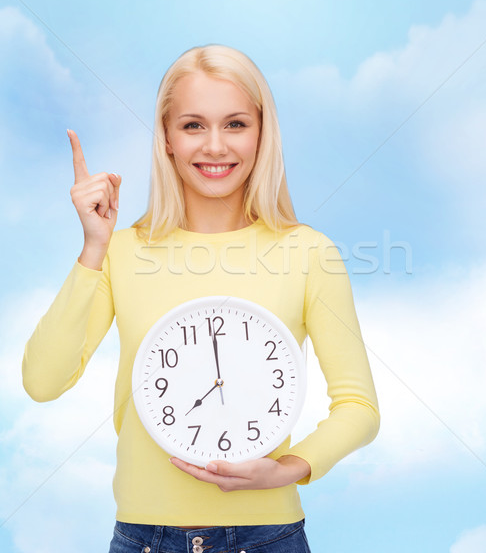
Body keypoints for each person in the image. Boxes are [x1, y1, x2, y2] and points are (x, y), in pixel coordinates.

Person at [22, 44, 380, 553]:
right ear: (167, 138)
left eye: (235, 124)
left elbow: (359, 406)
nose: (215, 146)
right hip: (145, 537)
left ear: (262, 133)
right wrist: (94, 247)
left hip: (268, 536)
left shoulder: (308, 251)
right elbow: (41, 381)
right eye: (193, 125)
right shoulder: (121, 252)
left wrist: (284, 471)